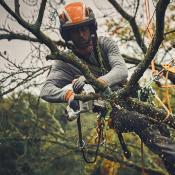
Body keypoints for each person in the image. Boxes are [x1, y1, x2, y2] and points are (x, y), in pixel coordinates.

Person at [40, 2, 175, 174]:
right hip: (114, 111)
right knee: (138, 121)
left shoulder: (105, 44)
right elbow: (46, 90)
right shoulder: (64, 62)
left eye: (84, 28)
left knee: (161, 126)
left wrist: (92, 82)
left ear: (91, 28)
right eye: (76, 30)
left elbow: (121, 71)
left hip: (130, 96)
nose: (81, 34)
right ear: (68, 34)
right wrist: (67, 95)